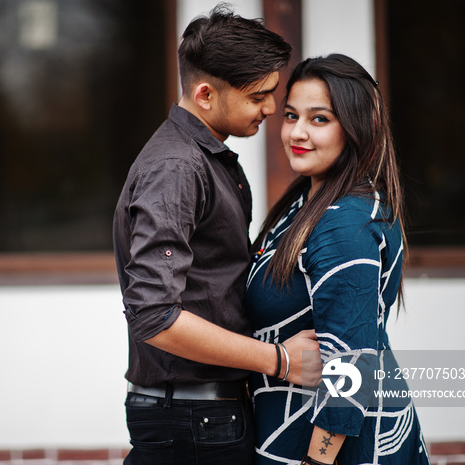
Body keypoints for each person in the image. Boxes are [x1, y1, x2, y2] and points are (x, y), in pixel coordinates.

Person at [113, 4, 321, 465]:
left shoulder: (204, 159)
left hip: (200, 414)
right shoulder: (177, 168)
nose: (271, 108)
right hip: (194, 419)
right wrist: (279, 361)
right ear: (205, 94)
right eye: (258, 96)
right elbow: (154, 315)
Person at [245, 54, 431, 464]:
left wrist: (316, 462)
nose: (297, 132)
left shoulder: (344, 223)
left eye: (319, 119)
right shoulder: (308, 200)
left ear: (355, 127)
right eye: (291, 115)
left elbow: (353, 367)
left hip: (337, 449)